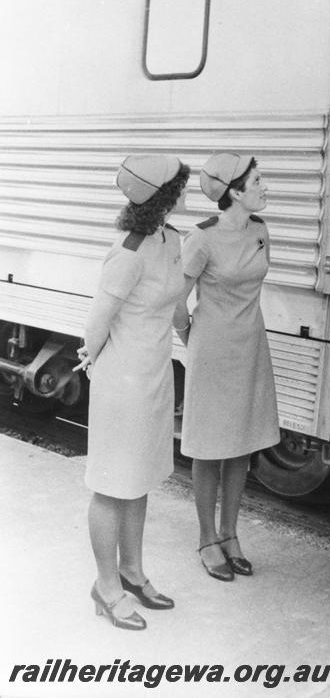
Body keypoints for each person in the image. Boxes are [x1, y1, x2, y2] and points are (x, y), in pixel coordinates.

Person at [75, 154, 189, 630]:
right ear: (162, 197)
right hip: (122, 383)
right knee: (111, 484)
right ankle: (106, 587)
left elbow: (178, 306)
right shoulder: (128, 252)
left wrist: (195, 342)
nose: (185, 192)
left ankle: (132, 572)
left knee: (138, 479)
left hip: (155, 377)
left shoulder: (171, 240)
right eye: (179, 187)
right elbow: (98, 323)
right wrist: (89, 360)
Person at [174, 152, 279, 582]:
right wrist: (194, 339)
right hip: (214, 349)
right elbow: (175, 304)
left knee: (241, 442)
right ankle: (206, 537)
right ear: (234, 192)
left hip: (252, 345)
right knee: (208, 446)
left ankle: (231, 535)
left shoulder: (259, 230)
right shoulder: (201, 239)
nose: (265, 187)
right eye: (257, 181)